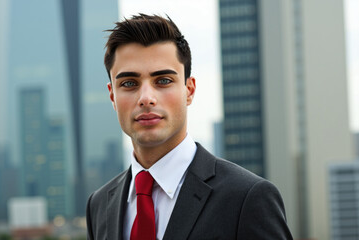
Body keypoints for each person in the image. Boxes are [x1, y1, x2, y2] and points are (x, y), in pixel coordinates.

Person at [86, 14, 293, 240]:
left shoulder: (247, 198)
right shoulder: (99, 204)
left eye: (163, 80)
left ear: (189, 90)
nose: (146, 98)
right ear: (112, 96)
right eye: (129, 83)